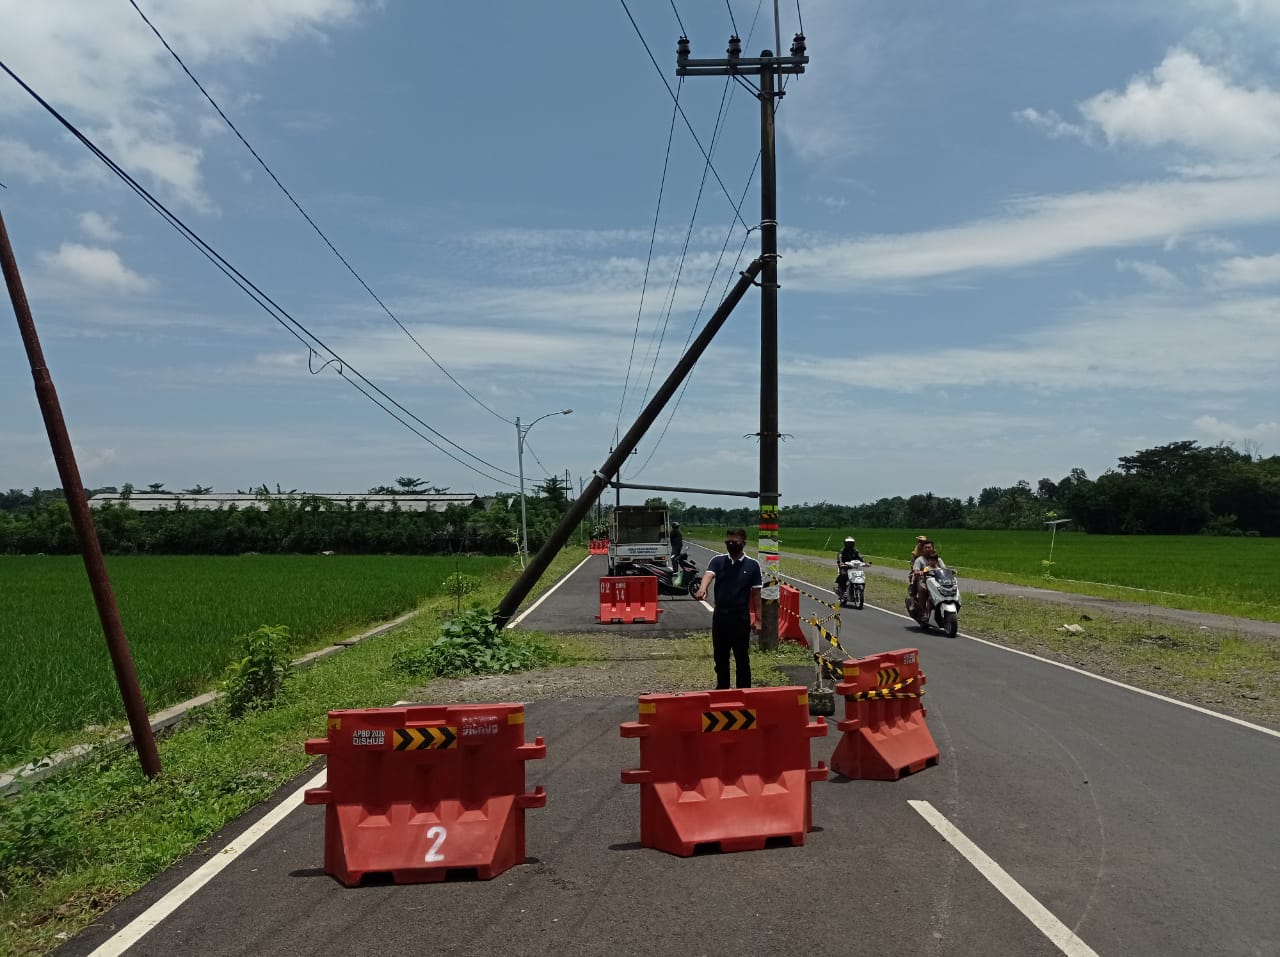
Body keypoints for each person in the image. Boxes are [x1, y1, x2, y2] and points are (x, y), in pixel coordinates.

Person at [694, 527, 762, 689]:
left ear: (743, 543)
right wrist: (702, 588)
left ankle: (744, 690)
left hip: (740, 617)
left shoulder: (752, 565)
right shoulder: (718, 561)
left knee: (742, 657)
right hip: (721, 616)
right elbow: (709, 575)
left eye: (735, 542)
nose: (731, 544)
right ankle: (722, 688)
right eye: (728, 541)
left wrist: (758, 620)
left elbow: (757, 595)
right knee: (720, 655)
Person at [909, 539, 946, 613]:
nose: (927, 549)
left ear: (933, 548)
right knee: (923, 589)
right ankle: (924, 612)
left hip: (937, 580)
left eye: (929, 547)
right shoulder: (919, 560)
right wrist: (918, 572)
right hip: (924, 580)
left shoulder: (938, 559)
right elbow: (915, 569)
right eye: (925, 547)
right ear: (922, 549)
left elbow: (944, 568)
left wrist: (950, 571)